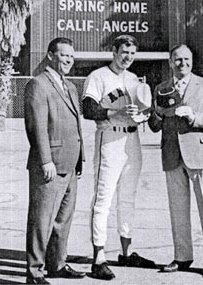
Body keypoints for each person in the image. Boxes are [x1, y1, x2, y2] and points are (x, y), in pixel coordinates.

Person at [148, 44, 203, 278]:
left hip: (200, 153)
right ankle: (182, 257)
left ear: (192, 61)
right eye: (178, 60)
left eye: (187, 59)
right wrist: (158, 115)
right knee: (177, 210)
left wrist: (195, 117)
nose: (183, 63)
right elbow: (153, 125)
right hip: (172, 154)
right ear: (171, 62)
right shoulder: (161, 88)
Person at [83, 35, 154, 281]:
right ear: (114, 51)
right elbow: (88, 109)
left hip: (132, 140)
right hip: (110, 138)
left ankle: (126, 252)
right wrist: (116, 110)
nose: (128, 57)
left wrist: (142, 115)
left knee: (128, 199)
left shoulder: (133, 79)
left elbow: (145, 112)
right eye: (124, 52)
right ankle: (99, 257)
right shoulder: (98, 76)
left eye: (132, 53)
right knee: (103, 199)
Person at [24, 37, 85, 285]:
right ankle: (34, 272)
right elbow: (36, 127)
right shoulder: (38, 84)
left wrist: (79, 160)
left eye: (71, 56)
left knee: (62, 220)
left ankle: (57, 264)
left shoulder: (70, 86)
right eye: (63, 55)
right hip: (49, 165)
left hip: (71, 164)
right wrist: (45, 160)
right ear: (50, 56)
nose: (68, 60)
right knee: (41, 220)